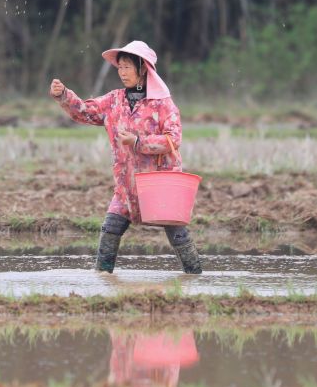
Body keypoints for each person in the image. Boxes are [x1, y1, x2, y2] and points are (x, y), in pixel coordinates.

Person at [49, 40, 202, 274]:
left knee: (177, 232)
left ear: (143, 69)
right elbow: (85, 112)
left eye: (127, 67)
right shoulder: (114, 100)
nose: (122, 72)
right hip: (126, 184)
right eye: (119, 67)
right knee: (110, 228)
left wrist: (138, 142)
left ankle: (195, 276)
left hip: (159, 183)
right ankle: (102, 277)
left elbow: (173, 139)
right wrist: (64, 96)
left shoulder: (162, 104)